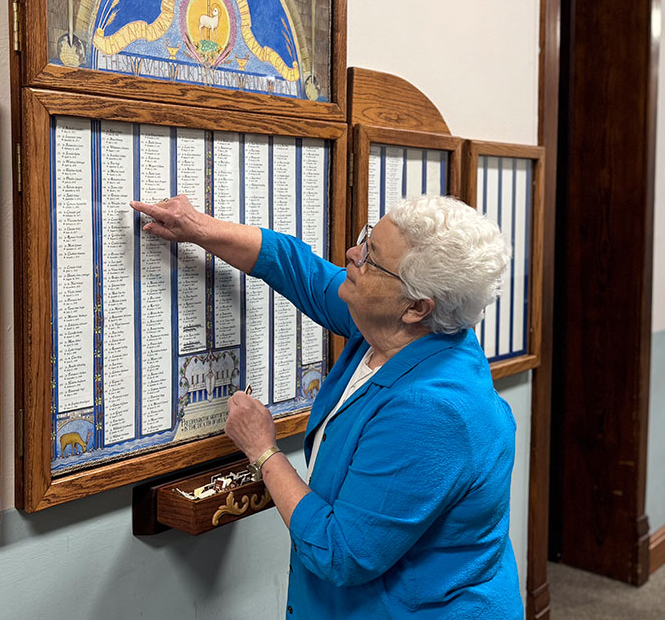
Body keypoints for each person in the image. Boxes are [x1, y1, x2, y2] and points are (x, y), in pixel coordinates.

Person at [130, 194, 522, 619]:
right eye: (367, 237)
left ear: (416, 307)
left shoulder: (432, 412)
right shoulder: (400, 329)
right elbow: (300, 270)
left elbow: (341, 553)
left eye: (371, 258)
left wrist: (263, 451)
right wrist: (200, 228)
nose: (353, 253)